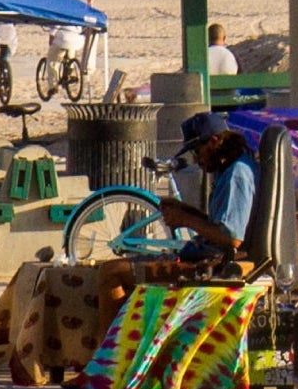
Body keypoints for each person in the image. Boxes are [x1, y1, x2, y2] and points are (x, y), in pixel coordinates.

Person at [95, 112, 259, 327]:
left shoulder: (236, 174)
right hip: (210, 255)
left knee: (111, 273)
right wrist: (187, 211)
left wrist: (185, 220)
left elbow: (232, 238)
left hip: (215, 263)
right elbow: (221, 224)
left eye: (197, 151)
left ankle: (109, 354)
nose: (196, 159)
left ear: (214, 141)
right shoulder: (230, 168)